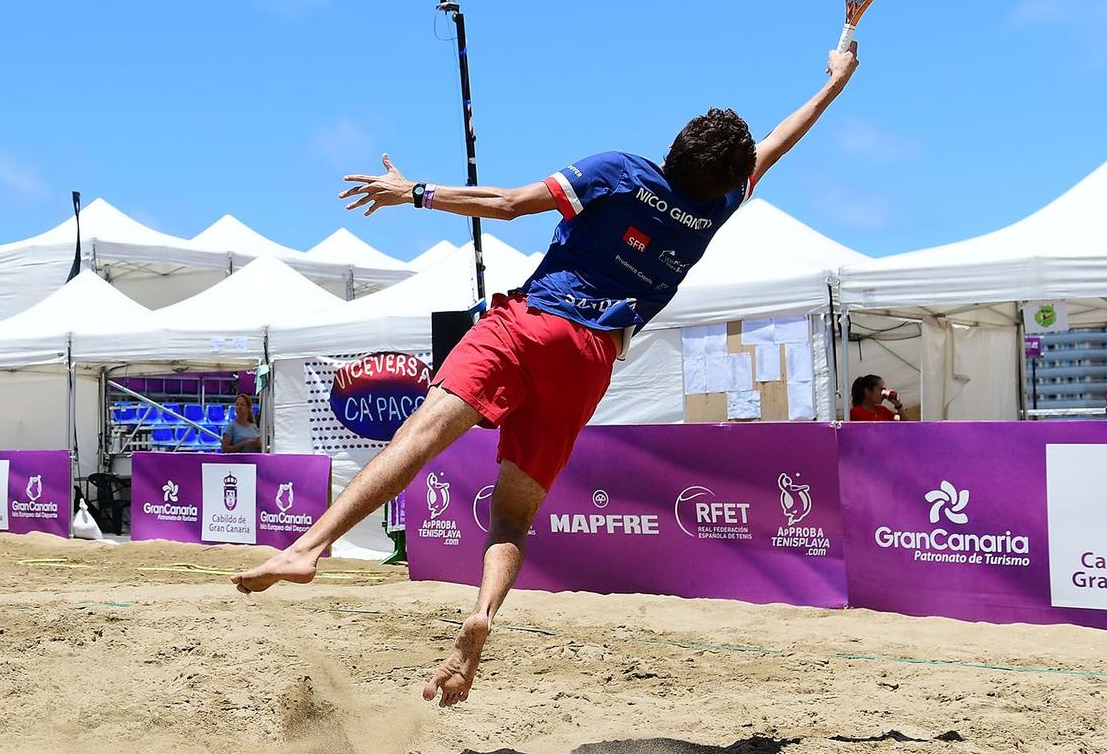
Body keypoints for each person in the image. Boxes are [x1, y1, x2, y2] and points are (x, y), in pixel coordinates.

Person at [233, 47, 862, 708]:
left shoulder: (621, 171)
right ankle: (481, 617)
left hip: (531, 324)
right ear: (724, 175)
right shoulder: (718, 207)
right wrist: (835, 83)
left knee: (416, 439)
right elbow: (779, 142)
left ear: (675, 146)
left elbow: (507, 204)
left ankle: (308, 548)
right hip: (590, 362)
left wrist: (414, 192)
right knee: (512, 516)